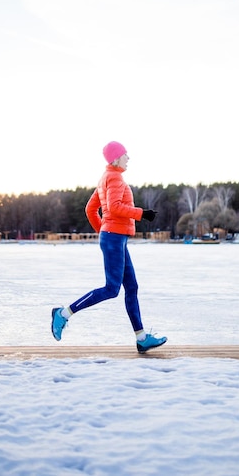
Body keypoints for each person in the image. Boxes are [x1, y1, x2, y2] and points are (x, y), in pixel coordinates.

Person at [51, 141, 167, 353]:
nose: (128, 158)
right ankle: (63, 314)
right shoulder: (114, 178)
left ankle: (142, 339)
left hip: (115, 237)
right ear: (116, 158)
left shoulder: (106, 178)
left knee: (131, 287)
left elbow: (90, 209)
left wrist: (103, 230)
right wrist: (141, 214)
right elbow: (113, 207)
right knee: (111, 289)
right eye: (125, 154)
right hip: (114, 237)